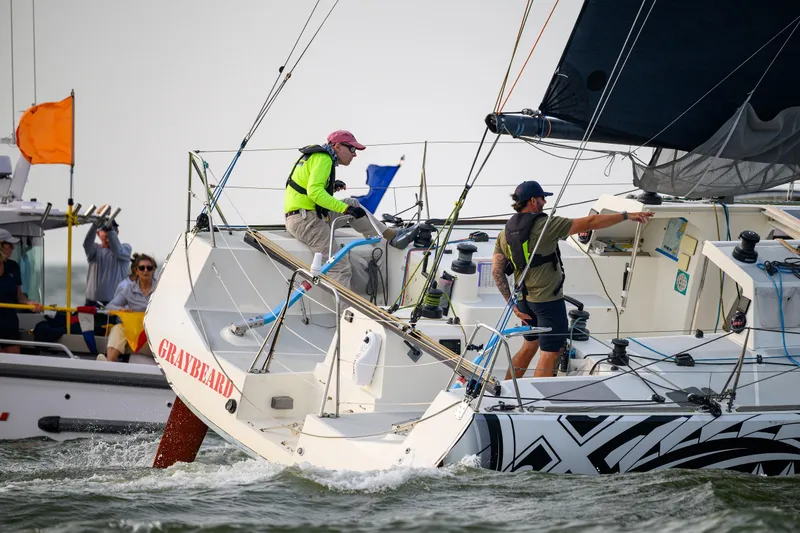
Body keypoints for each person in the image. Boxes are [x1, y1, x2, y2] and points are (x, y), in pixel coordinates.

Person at [492, 181, 654, 379]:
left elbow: (497, 272)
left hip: (524, 303)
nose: (545, 202)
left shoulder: (505, 232)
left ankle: (507, 391)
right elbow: (591, 222)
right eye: (543, 198)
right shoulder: (546, 225)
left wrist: (513, 305)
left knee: (529, 345)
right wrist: (626, 216)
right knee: (549, 353)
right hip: (547, 302)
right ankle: (534, 402)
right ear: (533, 201)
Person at [284, 130, 418, 289]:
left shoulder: (316, 156)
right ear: (338, 146)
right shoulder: (324, 159)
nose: (355, 154)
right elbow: (315, 193)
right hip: (307, 221)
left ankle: (390, 236)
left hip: (306, 216)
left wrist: (332, 187)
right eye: (352, 149)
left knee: (353, 203)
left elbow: (306, 187)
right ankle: (346, 314)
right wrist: (345, 209)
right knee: (339, 268)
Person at [99, 253, 156, 362]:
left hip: (153, 332)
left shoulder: (160, 288)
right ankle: (109, 363)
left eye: (149, 268)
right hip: (135, 332)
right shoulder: (129, 289)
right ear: (136, 271)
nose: (145, 271)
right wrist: (120, 309)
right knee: (117, 329)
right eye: (142, 268)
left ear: (153, 270)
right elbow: (109, 306)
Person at [0, 229, 43, 353]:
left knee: (13, 364)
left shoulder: (14, 267)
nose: (13, 248)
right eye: (9, 244)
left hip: (10, 324)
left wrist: (30, 303)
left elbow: (19, 297)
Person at [83, 219, 132, 307]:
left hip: (114, 304)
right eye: (104, 230)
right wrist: (94, 225)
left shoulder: (126, 249)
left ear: (117, 232)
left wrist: (110, 230)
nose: (108, 233)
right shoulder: (95, 250)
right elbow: (86, 244)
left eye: (112, 230)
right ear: (98, 234)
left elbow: (117, 250)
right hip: (91, 303)